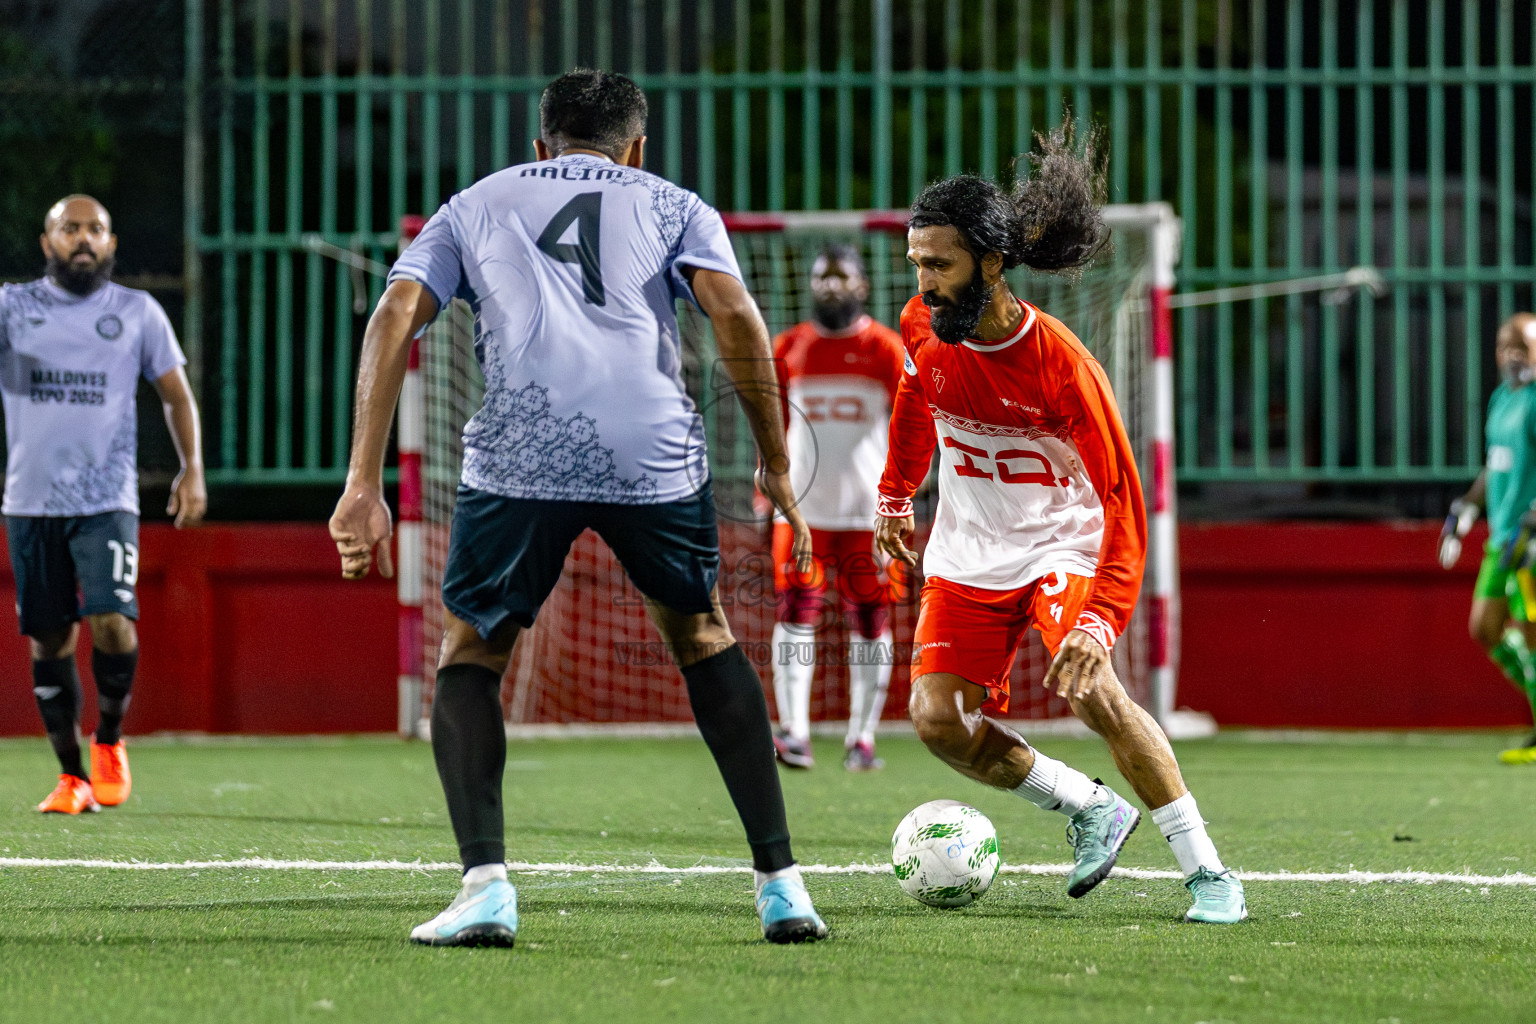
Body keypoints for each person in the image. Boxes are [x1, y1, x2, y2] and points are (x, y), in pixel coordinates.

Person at [330, 69, 828, 947]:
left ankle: (485, 886)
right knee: (705, 636)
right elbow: (739, 320)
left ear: (540, 145)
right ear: (637, 147)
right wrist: (776, 461)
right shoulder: (674, 203)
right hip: (651, 447)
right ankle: (783, 886)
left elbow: (393, 315)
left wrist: (363, 484)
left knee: (472, 649)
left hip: (524, 446)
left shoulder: (476, 202)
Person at [874, 124, 1247, 924]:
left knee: (1093, 689)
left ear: (993, 263)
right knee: (938, 720)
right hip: (970, 550)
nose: (925, 282)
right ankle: (1086, 807)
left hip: (1062, 543)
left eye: (939, 265)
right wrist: (895, 495)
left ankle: (1208, 871)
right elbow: (913, 403)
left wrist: (1102, 623)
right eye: (917, 264)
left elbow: (1122, 504)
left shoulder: (1064, 368)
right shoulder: (920, 328)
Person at [0, 195, 206, 815]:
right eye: (70, 228)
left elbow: (176, 395)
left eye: (95, 229)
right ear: (47, 242)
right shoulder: (12, 307)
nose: (83, 239)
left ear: (112, 244)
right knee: (49, 638)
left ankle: (109, 740)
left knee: (113, 620)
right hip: (30, 500)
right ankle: (71, 778)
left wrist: (192, 469)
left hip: (104, 497)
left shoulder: (136, 313)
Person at [769, 244, 905, 772]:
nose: (830, 286)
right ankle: (794, 733)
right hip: (801, 515)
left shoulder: (887, 350)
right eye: (821, 276)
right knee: (795, 616)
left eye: (841, 276)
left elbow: (914, 429)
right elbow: (772, 425)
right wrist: (770, 488)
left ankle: (862, 739)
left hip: (868, 517)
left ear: (862, 285)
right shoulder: (789, 348)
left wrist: (903, 497)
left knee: (871, 620)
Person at [1439, 312, 1536, 764]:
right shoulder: (1503, 398)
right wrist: (1467, 506)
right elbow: (1495, 463)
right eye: (1506, 345)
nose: (1513, 355)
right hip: (1503, 538)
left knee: (1533, 632)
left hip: (1531, 541)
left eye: (1523, 346)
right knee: (1485, 628)